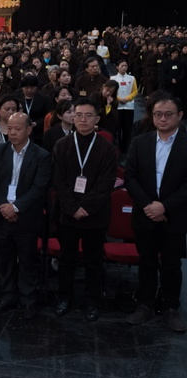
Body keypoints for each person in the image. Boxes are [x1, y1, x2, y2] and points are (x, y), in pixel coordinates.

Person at [124, 94, 187, 332]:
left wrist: (164, 206)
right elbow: (130, 177)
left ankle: (171, 308)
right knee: (146, 261)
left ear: (180, 116)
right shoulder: (141, 142)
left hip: (175, 215)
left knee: (171, 263)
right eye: (158, 114)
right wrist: (149, 205)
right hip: (145, 214)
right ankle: (145, 304)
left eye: (168, 114)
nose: (162, 119)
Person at [52, 97, 117, 321]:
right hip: (67, 213)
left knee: (93, 260)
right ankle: (64, 297)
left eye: (88, 115)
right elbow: (58, 181)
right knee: (67, 258)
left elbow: (106, 183)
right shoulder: (62, 145)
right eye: (78, 115)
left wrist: (86, 207)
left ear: (97, 119)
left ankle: (92, 301)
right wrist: (72, 207)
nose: (82, 119)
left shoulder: (106, 148)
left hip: (95, 215)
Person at [0, 112, 52, 320]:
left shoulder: (41, 155)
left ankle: (28, 299)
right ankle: (7, 295)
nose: (12, 133)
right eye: (9, 128)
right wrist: (4, 206)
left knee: (27, 260)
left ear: (29, 130)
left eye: (17, 129)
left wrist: (16, 208)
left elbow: (39, 187)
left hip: (26, 217)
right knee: (4, 259)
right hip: (1, 214)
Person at [111, 60, 138, 153]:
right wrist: (118, 99)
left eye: (125, 66)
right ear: (117, 67)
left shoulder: (132, 78)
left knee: (128, 129)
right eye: (122, 66)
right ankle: (117, 146)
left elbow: (135, 91)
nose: (124, 68)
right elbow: (111, 92)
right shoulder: (112, 78)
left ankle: (125, 147)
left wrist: (127, 98)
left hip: (129, 106)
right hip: (117, 106)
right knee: (117, 127)